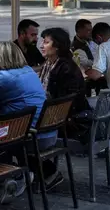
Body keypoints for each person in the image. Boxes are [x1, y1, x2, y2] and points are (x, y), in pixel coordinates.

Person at [0, 41, 57, 203]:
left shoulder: (2, 78)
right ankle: (17, 173)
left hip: (29, 138)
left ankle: (14, 174)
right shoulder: (28, 71)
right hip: (48, 133)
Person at [38, 27, 90, 186]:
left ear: (57, 46)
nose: (41, 45)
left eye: (46, 42)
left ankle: (48, 172)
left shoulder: (65, 67)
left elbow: (65, 102)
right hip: (61, 115)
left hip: (70, 122)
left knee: (21, 134)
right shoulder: (51, 63)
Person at [72, 19, 107, 96]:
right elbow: (87, 63)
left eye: (91, 30)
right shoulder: (76, 47)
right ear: (79, 31)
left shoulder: (91, 40)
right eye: (88, 30)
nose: (91, 33)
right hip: (88, 77)